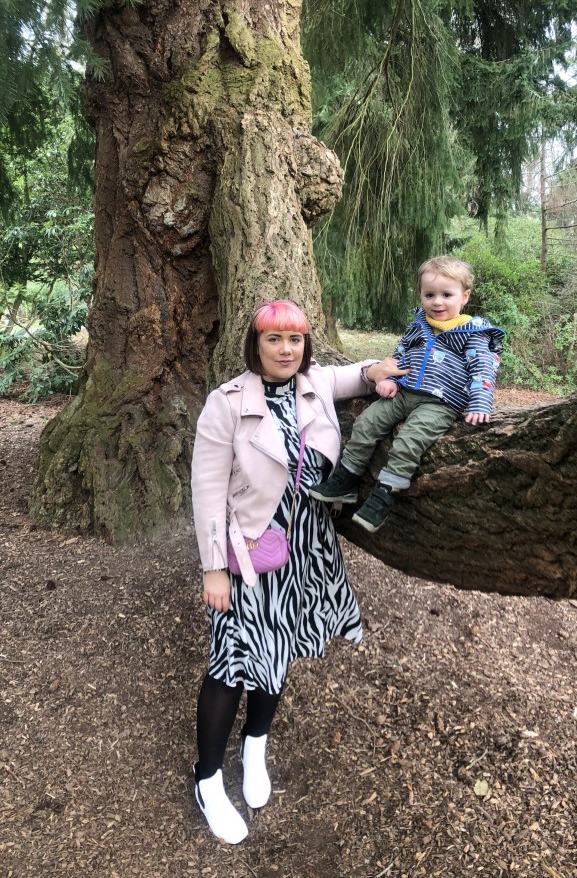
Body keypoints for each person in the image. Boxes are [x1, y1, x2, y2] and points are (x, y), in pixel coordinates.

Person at [190, 300, 402, 844]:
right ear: (254, 346)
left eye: (296, 339)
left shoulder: (313, 384)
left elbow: (358, 373)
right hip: (250, 549)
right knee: (232, 661)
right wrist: (214, 568)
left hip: (305, 547)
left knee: (280, 646)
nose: (287, 350)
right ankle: (208, 778)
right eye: (274, 340)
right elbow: (208, 490)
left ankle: (254, 747)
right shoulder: (227, 403)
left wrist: (378, 370)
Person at [310, 255, 505, 531]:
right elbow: (401, 355)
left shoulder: (472, 332)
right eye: (430, 294)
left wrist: (480, 403)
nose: (437, 302)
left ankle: (384, 495)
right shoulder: (418, 326)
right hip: (403, 393)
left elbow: (483, 370)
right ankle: (346, 479)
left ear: (465, 297)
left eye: (446, 294)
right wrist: (390, 380)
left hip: (440, 402)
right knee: (366, 423)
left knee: (408, 440)